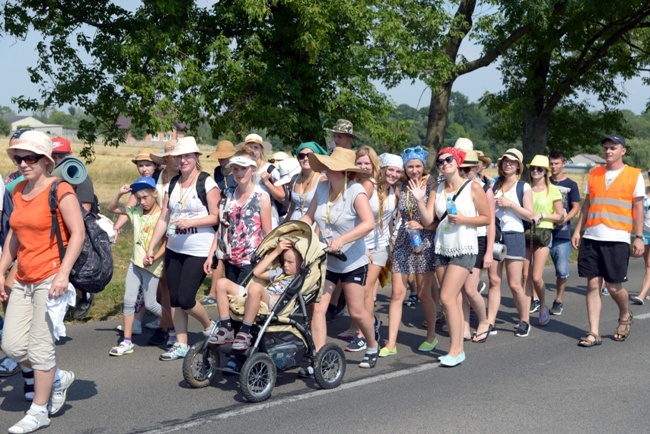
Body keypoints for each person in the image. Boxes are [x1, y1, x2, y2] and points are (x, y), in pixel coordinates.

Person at [0, 131, 83, 433]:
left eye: (30, 158)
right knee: (11, 345)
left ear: (46, 161)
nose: (23, 163)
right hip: (23, 277)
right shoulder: (19, 190)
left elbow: (78, 234)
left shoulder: (61, 190)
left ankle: (39, 411)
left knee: (39, 348)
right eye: (18, 158)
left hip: (50, 277)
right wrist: (1, 270)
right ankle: (57, 377)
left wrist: (63, 273)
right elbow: (14, 234)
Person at [300, 147, 378, 369]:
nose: (328, 170)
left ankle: (372, 344)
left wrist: (342, 240)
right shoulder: (322, 187)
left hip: (352, 261)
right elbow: (308, 216)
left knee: (357, 311)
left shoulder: (356, 191)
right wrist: (293, 231)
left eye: (334, 168)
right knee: (318, 307)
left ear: (345, 172)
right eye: (327, 166)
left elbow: (368, 224)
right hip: (327, 259)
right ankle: (319, 355)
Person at [145, 137, 221, 361]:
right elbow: (163, 218)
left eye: (188, 155)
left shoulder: (207, 182)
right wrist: (151, 246)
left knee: (187, 298)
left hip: (199, 248)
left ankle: (209, 326)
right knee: (175, 299)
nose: (183, 160)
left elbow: (217, 216)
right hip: (175, 248)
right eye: (179, 156)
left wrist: (191, 223)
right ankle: (181, 344)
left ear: (197, 157)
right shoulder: (172, 184)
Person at [414, 148, 489, 366]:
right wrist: (420, 200)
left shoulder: (473, 187)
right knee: (452, 300)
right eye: (440, 162)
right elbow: (428, 220)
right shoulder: (437, 189)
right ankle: (457, 349)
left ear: (457, 162)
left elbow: (486, 218)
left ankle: (456, 351)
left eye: (448, 160)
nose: (444, 164)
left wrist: (465, 219)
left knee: (446, 297)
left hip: (465, 247)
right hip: (442, 247)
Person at [572, 134, 644, 347]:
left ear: (623, 151)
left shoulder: (633, 175)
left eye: (613, 147)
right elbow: (587, 204)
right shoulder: (594, 174)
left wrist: (638, 237)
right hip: (592, 235)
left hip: (617, 237)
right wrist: (578, 230)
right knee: (592, 284)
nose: (608, 151)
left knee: (613, 287)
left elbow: (638, 208)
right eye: (606, 148)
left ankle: (624, 313)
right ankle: (593, 333)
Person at [208, 150, 272, 345]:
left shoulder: (261, 197)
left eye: (243, 168)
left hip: (251, 261)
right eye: (235, 169)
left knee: (244, 306)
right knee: (232, 306)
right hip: (230, 257)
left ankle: (246, 351)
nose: (239, 173)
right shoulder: (227, 194)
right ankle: (233, 343)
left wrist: (268, 261)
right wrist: (212, 254)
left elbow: (269, 234)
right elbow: (222, 228)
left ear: (252, 170)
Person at [380, 146, 439, 358]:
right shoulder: (401, 187)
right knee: (397, 293)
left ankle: (431, 335)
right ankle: (391, 342)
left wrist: (421, 199)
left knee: (424, 294)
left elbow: (429, 219)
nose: (414, 170)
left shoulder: (432, 185)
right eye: (410, 166)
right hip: (404, 239)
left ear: (424, 167)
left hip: (424, 240)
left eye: (418, 166)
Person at [106, 177, 166, 356]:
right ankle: (126, 341)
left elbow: (166, 243)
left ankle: (173, 329)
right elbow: (111, 208)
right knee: (129, 301)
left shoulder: (162, 215)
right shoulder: (136, 212)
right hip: (135, 264)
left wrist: (155, 256)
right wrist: (119, 193)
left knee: (152, 304)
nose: (142, 201)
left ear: (155, 194)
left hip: (152, 266)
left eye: (145, 197)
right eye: (139, 198)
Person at [213, 238, 302, 351]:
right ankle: (226, 327)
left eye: (290, 262)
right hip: (257, 295)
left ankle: (245, 331)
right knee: (221, 283)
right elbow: (257, 272)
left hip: (275, 303)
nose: (285, 265)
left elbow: (289, 298)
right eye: (284, 261)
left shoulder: (299, 280)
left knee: (255, 287)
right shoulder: (280, 271)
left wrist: (259, 294)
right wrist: (276, 251)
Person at [338, 146, 385, 352]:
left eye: (367, 163)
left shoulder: (366, 184)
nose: (363, 166)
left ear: (374, 166)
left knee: (365, 291)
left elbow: (363, 220)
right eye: (359, 163)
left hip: (374, 246)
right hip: (360, 245)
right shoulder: (353, 184)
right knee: (361, 293)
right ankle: (355, 326)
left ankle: (365, 335)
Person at [486, 148, 534, 337]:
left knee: (514, 283)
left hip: (514, 234)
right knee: (494, 280)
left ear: (518, 166)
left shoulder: (524, 187)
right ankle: (490, 322)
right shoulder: (494, 185)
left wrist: (511, 204)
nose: (508, 164)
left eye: (512, 162)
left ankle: (524, 320)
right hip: (495, 234)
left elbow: (530, 215)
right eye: (505, 161)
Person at [51, 136, 99, 320]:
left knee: (76, 268)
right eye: (53, 155)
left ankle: (84, 296)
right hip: (57, 228)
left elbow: (84, 212)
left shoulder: (81, 178)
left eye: (61, 155)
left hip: (76, 228)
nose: (57, 159)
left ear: (70, 155)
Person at [522, 155, 563, 327]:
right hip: (527, 233)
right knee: (525, 276)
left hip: (544, 233)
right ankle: (524, 317)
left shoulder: (552, 190)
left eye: (539, 169)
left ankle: (543, 304)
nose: (535, 172)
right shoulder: (526, 189)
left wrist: (543, 215)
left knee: (536, 277)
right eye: (533, 168)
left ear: (545, 172)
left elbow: (560, 217)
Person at [456, 151, 492, 343]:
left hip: (477, 240)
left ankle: (484, 321)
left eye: (468, 169)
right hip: (459, 240)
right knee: (460, 288)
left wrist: (488, 252)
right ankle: (464, 325)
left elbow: (490, 222)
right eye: (461, 168)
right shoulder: (454, 186)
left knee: (470, 288)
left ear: (477, 168)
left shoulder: (484, 188)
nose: (464, 172)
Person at [548, 151, 581, 315]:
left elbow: (576, 207)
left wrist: (565, 218)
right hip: (544, 231)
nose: (553, 167)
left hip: (562, 232)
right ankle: (534, 299)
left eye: (556, 163)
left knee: (561, 270)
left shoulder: (571, 184)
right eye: (551, 163)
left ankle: (558, 300)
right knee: (533, 270)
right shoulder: (544, 182)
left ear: (563, 164)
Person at [242, 134, 285, 227]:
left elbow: (281, 197)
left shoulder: (270, 169)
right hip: (248, 214)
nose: (253, 151)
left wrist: (267, 182)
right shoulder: (241, 169)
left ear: (262, 149)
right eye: (249, 148)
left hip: (268, 214)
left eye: (256, 147)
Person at [284, 142, 327, 221]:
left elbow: (323, 211)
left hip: (312, 224)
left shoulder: (322, 180)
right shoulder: (294, 179)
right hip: (294, 224)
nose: (305, 158)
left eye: (309, 155)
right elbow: (291, 209)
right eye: (301, 156)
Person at [632, 186, 650, 304]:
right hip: (644, 232)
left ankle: (642, 295)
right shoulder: (642, 191)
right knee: (647, 263)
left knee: (649, 264)